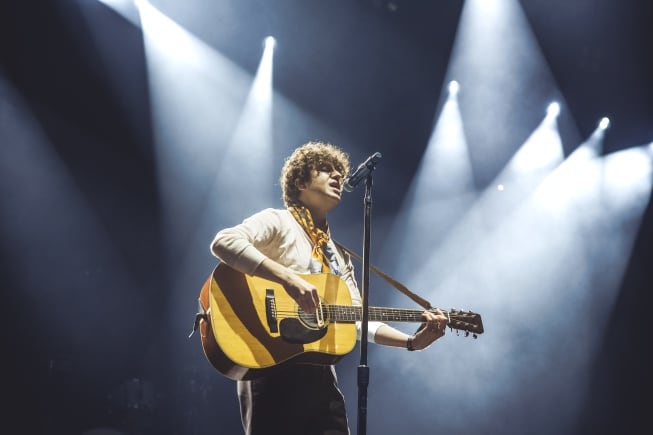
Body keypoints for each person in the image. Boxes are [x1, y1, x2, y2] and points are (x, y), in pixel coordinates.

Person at [210, 141, 447, 435]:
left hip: (320, 374)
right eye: (325, 169)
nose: (337, 176)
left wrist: (412, 342)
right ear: (300, 182)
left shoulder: (338, 255)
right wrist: (289, 279)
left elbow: (358, 319)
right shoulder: (278, 221)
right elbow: (224, 242)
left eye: (339, 171)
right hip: (269, 364)